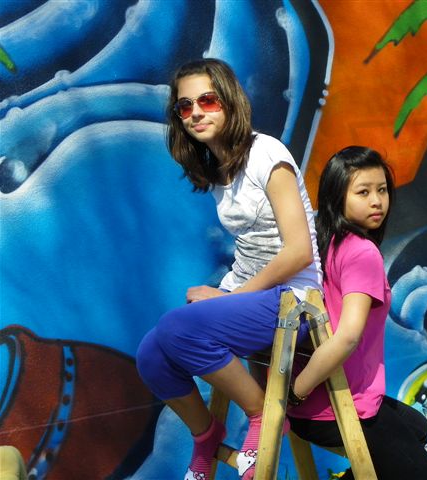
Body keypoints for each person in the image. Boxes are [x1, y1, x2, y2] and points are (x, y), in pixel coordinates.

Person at [136, 58, 322, 480]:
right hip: (252, 294)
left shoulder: (267, 154)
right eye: (185, 106)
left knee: (177, 327)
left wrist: (229, 297)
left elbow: (299, 252)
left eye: (207, 100)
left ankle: (263, 413)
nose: (195, 113)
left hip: (296, 299)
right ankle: (206, 436)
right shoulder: (218, 166)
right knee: (151, 353)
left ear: (229, 101)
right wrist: (227, 293)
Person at [287, 146, 427, 479]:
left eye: (382, 190)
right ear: (336, 197)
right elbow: (347, 337)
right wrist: (296, 392)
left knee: (417, 428)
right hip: (340, 406)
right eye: (363, 192)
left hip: (314, 405)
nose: (377, 201)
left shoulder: (323, 243)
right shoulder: (362, 252)